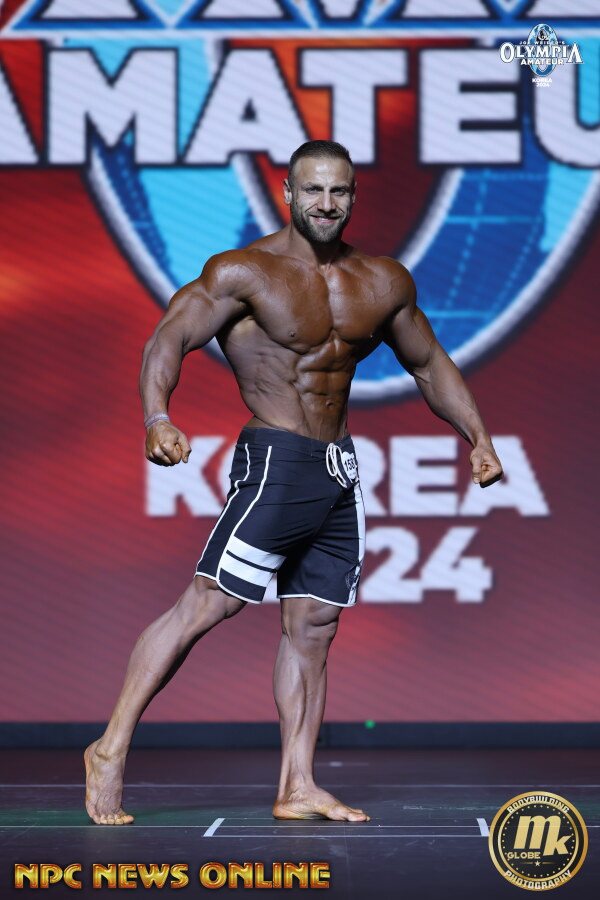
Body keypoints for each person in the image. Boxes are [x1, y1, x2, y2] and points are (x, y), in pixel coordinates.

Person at [84, 140, 503, 826]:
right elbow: (168, 338)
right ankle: (110, 747)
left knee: (315, 624)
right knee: (208, 604)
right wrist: (158, 417)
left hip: (339, 469)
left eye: (338, 191)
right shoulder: (244, 271)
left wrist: (478, 438)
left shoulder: (382, 281)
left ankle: (298, 783)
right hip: (277, 459)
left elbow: (429, 364)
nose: (325, 203)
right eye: (313, 190)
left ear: (353, 196)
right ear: (287, 192)